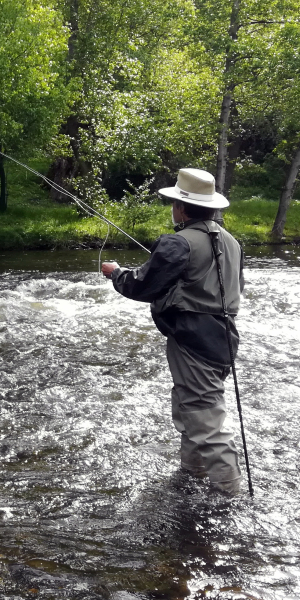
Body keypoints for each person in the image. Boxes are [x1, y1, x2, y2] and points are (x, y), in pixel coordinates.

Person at [101, 168, 244, 494]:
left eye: (174, 202)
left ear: (181, 207)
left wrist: (116, 273)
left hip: (193, 339)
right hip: (223, 337)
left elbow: (143, 286)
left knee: (205, 420)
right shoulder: (232, 242)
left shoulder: (177, 243)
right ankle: (192, 475)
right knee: (191, 405)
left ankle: (231, 496)